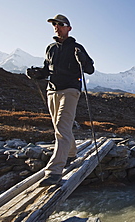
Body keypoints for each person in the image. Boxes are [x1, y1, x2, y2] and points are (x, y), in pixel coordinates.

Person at [26, 14, 94, 186]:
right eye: (54, 24)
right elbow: (46, 70)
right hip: (52, 90)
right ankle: (71, 153)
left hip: (70, 90)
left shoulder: (77, 48)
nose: (57, 27)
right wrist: (37, 74)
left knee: (62, 128)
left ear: (69, 28)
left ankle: (54, 172)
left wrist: (83, 61)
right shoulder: (50, 48)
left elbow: (90, 69)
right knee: (59, 126)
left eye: (61, 24)